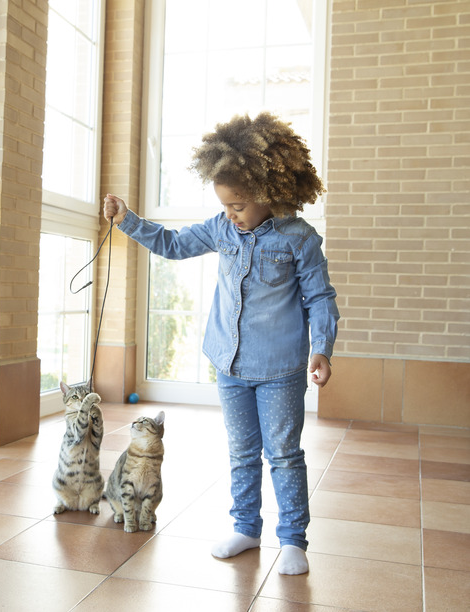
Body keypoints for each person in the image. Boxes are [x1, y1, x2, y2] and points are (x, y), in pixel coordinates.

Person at [103, 112, 339, 576]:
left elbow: (320, 297)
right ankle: (246, 528)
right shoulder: (221, 228)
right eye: (226, 205)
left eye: (238, 204)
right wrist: (127, 220)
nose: (231, 214)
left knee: (284, 453)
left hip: (280, 369)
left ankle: (293, 539)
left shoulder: (299, 239)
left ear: (268, 193)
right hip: (228, 364)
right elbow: (172, 243)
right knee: (241, 451)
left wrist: (322, 348)